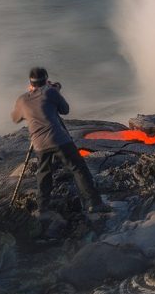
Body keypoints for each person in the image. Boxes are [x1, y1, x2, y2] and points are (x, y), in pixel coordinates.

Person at [11, 67, 110, 213]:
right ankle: (94, 204)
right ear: (46, 80)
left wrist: (30, 103)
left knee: (43, 174)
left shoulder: (22, 99)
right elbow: (65, 110)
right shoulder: (50, 92)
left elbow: (15, 118)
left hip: (39, 144)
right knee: (78, 168)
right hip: (59, 139)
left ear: (30, 83)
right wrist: (54, 91)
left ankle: (43, 208)